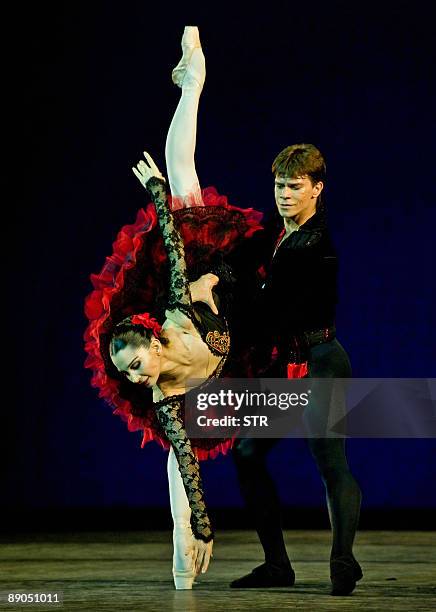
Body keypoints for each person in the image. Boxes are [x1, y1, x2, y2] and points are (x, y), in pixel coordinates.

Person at [83, 26, 262, 590]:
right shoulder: (165, 396)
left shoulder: (178, 310)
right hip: (228, 359)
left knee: (184, 179)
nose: (134, 379)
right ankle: (181, 553)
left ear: (154, 341)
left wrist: (158, 193)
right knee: (184, 453)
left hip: (220, 288)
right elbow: (183, 460)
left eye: (132, 365)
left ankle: (193, 80)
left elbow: (176, 243)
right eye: (126, 374)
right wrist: (198, 529)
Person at [230, 144, 363, 596]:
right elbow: (241, 261)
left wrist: (234, 295)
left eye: (295, 186)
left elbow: (270, 311)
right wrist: (213, 276)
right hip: (286, 363)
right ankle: (277, 566)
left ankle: (343, 562)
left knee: (330, 462)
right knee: (247, 454)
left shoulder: (315, 245)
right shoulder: (277, 232)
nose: (285, 194)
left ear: (317, 189)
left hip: (320, 360)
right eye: (279, 185)